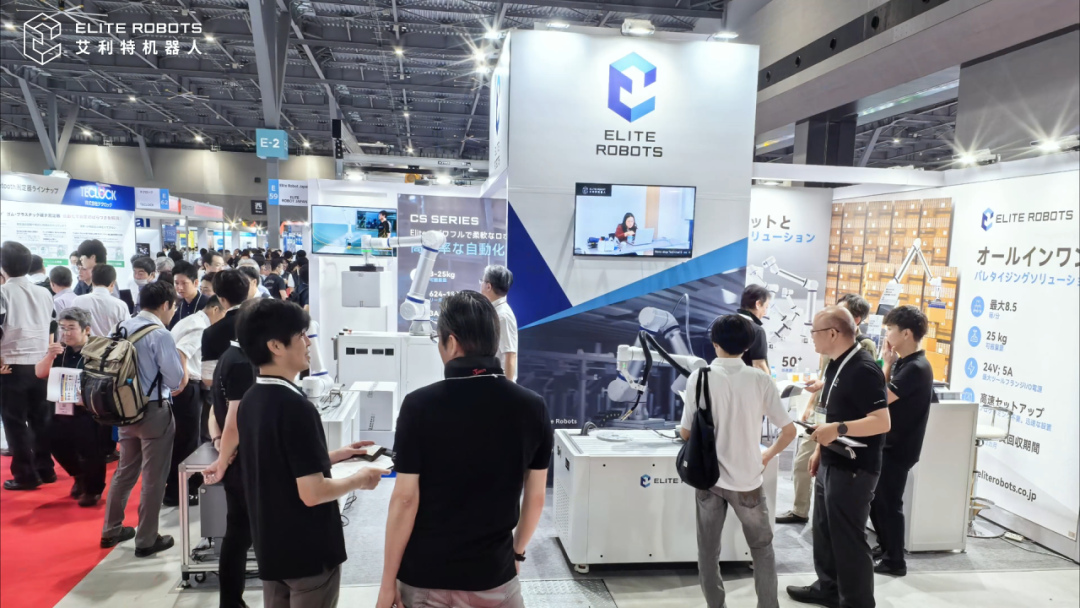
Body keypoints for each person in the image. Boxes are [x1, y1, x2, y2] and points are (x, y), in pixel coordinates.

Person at [377, 291, 551, 608]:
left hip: (426, 577)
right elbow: (536, 497)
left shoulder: (418, 405)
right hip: (494, 576)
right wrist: (517, 554)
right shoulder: (533, 406)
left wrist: (387, 583)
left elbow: (405, 499)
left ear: (452, 342)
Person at [225, 298, 385, 608]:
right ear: (276, 345)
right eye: (301, 335)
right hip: (308, 551)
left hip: (271, 547)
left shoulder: (252, 398)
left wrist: (335, 455)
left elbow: (279, 464)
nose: (308, 342)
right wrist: (361, 478)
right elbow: (313, 493)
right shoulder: (296, 406)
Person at [680, 315, 796, 608]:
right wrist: (767, 455)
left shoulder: (699, 377)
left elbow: (686, 432)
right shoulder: (761, 379)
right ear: (747, 346)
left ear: (714, 343)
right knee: (762, 549)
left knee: (708, 551)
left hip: (709, 478)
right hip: (748, 480)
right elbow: (789, 431)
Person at [786, 307, 890, 608]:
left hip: (855, 467)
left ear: (833, 333)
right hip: (832, 459)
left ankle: (857, 602)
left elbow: (882, 422)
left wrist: (839, 429)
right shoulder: (835, 364)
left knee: (848, 538)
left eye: (814, 332)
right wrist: (820, 449)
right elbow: (831, 412)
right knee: (824, 531)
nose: (811, 338)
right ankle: (828, 588)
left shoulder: (863, 368)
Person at [100, 280, 184, 557]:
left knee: (125, 470)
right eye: (173, 306)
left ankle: (111, 529)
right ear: (166, 304)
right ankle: (147, 539)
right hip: (153, 410)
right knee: (153, 477)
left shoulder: (120, 328)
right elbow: (174, 379)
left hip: (123, 409)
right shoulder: (160, 334)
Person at [777, 293, 877, 525]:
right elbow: (829, 380)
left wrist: (839, 428)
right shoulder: (831, 356)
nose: (812, 336)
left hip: (846, 440)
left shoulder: (863, 356)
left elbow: (878, 416)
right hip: (825, 417)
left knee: (844, 524)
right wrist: (812, 403)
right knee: (805, 463)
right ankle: (802, 510)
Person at [198, 272, 254, 608]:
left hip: (232, 453)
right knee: (241, 534)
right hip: (243, 459)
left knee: (237, 533)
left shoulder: (223, 350)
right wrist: (224, 455)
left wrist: (218, 438)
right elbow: (234, 414)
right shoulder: (243, 361)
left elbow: (213, 401)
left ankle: (231, 600)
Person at [870, 305, 936, 577]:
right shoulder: (905, 363)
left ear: (906, 333)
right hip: (891, 443)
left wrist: (886, 365)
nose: (886, 334)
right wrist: (888, 362)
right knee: (879, 501)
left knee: (888, 503)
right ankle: (886, 548)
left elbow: (880, 398)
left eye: (890, 330)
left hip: (899, 447)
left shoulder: (916, 368)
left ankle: (895, 560)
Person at [0, 241, 58, 491]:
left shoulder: (3, 292)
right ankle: (46, 469)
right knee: (41, 419)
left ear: (3, 266)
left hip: (11, 365)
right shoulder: (44, 293)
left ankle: (25, 475)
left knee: (15, 423)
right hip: (40, 364)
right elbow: (52, 327)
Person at [35, 308, 106, 506]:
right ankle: (78, 475)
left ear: (86, 330)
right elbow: (39, 373)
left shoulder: (97, 352)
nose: (65, 333)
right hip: (61, 407)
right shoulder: (60, 350)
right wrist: (50, 356)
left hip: (89, 409)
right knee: (53, 442)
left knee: (91, 450)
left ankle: (93, 490)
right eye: (62, 328)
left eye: (71, 328)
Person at [164, 295, 224, 507]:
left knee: (187, 439)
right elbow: (181, 352)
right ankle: (178, 492)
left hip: (187, 386)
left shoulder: (191, 320)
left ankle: (182, 488)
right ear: (215, 309)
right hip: (188, 387)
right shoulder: (200, 326)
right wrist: (182, 381)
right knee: (187, 442)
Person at [480, 265, 518, 382]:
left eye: (482, 281)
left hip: (498, 383)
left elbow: (510, 354)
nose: (480, 284)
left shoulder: (503, 316)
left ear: (488, 286)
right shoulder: (494, 311)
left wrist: (507, 388)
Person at [71, 264, 130, 337]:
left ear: (92, 281)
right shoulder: (120, 305)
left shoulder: (78, 301)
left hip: (86, 343)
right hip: (112, 344)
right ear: (112, 284)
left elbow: (72, 326)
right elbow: (127, 331)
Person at [738, 284, 772, 373]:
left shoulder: (722, 326)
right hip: (746, 380)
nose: (765, 313)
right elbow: (759, 366)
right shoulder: (757, 330)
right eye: (766, 307)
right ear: (758, 304)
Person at [170, 260, 207, 329]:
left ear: (196, 283)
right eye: (176, 283)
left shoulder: (207, 304)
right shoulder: (179, 305)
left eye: (184, 283)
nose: (180, 288)